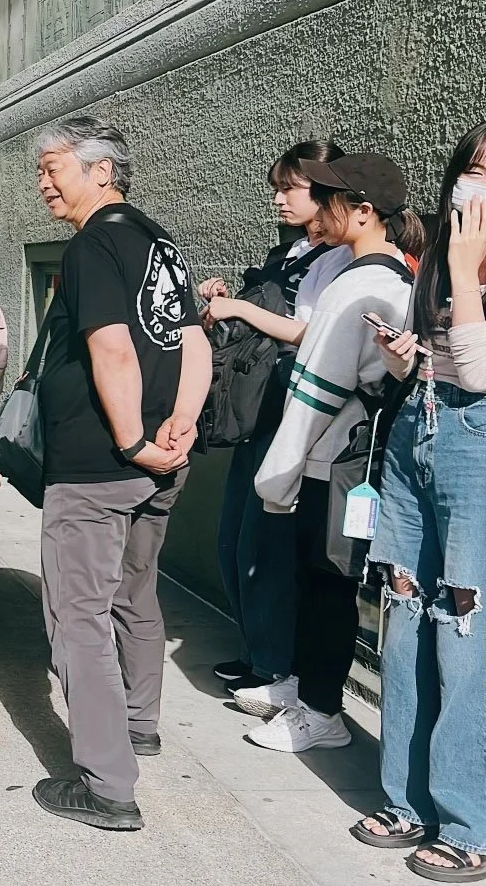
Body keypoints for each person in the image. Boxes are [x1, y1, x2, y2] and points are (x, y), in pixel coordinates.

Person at [25, 116, 209, 832]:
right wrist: (182, 425)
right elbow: (193, 341)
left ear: (100, 171)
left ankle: (106, 785)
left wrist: (134, 439)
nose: (44, 184)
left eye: (52, 168)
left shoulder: (93, 244)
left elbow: (112, 349)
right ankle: (139, 723)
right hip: (161, 461)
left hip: (102, 466)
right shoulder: (160, 241)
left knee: (80, 618)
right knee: (135, 596)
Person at [244, 152, 421, 752]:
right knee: (324, 581)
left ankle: (321, 712)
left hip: (334, 456)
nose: (317, 207)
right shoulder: (388, 276)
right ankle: (307, 692)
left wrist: (280, 475)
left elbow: (316, 391)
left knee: (327, 583)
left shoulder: (363, 284)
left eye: (329, 197)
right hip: (350, 456)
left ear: (364, 213)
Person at [353, 124, 486, 880]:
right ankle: (408, 801)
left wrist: (467, 270)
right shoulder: (439, 251)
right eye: (468, 170)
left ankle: (469, 820)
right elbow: (434, 353)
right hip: (417, 427)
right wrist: (403, 354)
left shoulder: (460, 258)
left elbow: (482, 367)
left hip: (478, 444)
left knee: (464, 632)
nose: (474, 186)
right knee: (402, 616)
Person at [197, 141, 351, 695]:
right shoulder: (291, 251)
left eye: (291, 188)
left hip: (294, 412)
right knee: (235, 540)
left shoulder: (341, 257)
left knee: (265, 544)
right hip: (257, 408)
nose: (280, 199)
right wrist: (229, 298)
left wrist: (241, 308)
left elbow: (314, 333)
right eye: (278, 188)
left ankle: (275, 664)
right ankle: (260, 653)